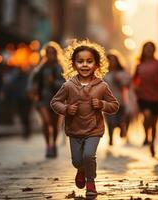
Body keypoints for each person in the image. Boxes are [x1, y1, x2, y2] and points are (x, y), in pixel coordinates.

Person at [50, 40, 119, 197]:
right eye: (80, 61)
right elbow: (55, 102)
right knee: (76, 161)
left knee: (89, 155)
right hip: (74, 130)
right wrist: (66, 109)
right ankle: (80, 170)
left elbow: (114, 105)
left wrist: (102, 104)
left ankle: (91, 182)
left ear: (96, 65)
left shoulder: (102, 86)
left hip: (94, 129)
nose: (85, 65)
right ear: (74, 65)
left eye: (89, 61)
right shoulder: (68, 85)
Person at [27, 41, 65, 158]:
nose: (50, 55)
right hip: (42, 99)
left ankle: (54, 145)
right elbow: (32, 81)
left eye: (52, 53)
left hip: (57, 100)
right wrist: (31, 90)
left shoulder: (60, 68)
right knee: (46, 121)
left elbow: (65, 84)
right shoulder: (40, 68)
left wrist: (53, 82)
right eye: (48, 53)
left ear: (56, 54)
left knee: (55, 125)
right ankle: (48, 146)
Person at [105, 50, 131, 145]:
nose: (111, 62)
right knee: (110, 121)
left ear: (117, 61)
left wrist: (118, 80)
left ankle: (122, 129)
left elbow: (127, 86)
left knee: (120, 120)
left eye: (113, 60)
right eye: (109, 60)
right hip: (107, 102)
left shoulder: (122, 73)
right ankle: (111, 138)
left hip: (120, 101)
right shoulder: (104, 73)